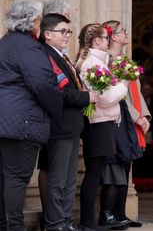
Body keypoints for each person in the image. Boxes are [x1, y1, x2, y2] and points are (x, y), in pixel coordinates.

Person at [0, 0, 63, 231]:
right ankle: (14, 227)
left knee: (5, 178)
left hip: (6, 122)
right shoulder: (29, 47)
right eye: (38, 20)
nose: (40, 24)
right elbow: (44, 85)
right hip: (22, 124)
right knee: (17, 178)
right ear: (30, 22)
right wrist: (57, 111)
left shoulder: (5, 42)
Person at [39, 13, 99, 231]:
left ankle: (65, 221)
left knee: (68, 180)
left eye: (68, 31)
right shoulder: (46, 56)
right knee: (57, 180)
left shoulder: (60, 55)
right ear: (47, 34)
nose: (67, 36)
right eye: (62, 31)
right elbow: (57, 92)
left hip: (72, 125)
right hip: (60, 126)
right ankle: (55, 223)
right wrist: (86, 97)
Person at [76, 23, 129, 231]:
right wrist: (123, 85)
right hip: (98, 123)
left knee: (95, 173)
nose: (109, 41)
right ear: (98, 40)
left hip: (103, 121)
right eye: (106, 38)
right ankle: (87, 222)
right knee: (94, 173)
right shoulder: (91, 63)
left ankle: (88, 221)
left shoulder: (97, 60)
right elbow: (105, 98)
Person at [98, 20, 150, 229]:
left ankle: (120, 214)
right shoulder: (108, 61)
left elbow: (134, 92)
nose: (127, 33)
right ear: (114, 37)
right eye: (122, 31)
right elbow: (119, 97)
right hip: (118, 119)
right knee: (115, 167)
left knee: (125, 167)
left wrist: (144, 115)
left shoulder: (124, 60)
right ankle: (108, 214)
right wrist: (137, 116)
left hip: (131, 119)